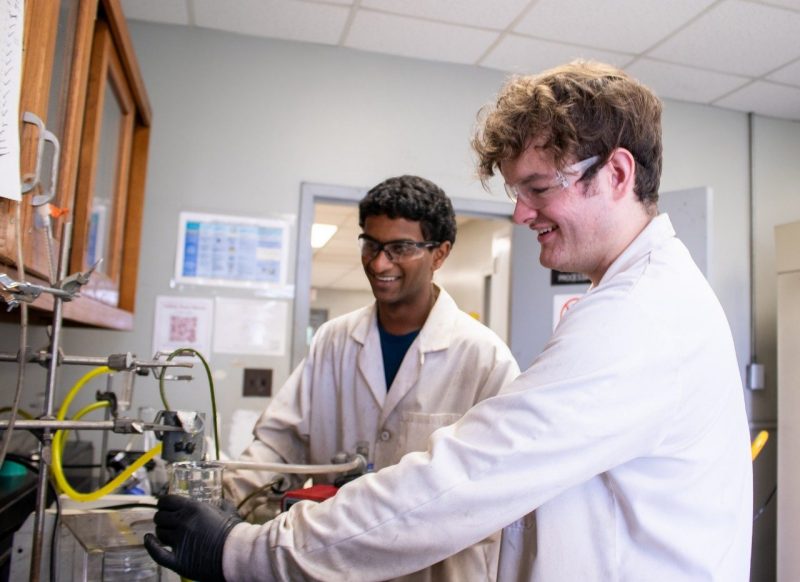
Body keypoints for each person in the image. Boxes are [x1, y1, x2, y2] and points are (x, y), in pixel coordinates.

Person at [145, 61, 753, 582]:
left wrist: (243, 552)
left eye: (538, 188)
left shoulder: (639, 319)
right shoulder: (640, 299)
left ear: (617, 174)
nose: (520, 214)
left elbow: (460, 481)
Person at [148, 175, 520, 581]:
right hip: (332, 567)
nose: (380, 263)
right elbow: (280, 443)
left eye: (400, 248)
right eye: (372, 245)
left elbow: (489, 492)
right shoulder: (334, 340)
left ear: (440, 253)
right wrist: (224, 503)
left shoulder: (484, 357)